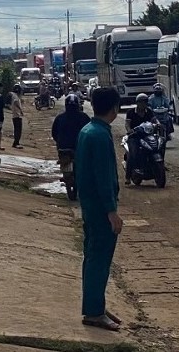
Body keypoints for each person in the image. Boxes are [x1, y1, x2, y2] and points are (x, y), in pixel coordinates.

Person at [75, 87, 123, 331]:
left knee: (92, 257)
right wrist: (112, 211)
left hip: (89, 206)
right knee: (99, 260)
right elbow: (104, 178)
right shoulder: (100, 136)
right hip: (100, 208)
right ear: (114, 107)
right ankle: (94, 311)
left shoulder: (88, 131)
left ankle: (95, 305)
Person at [125, 93, 157, 184]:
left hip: (147, 136)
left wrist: (158, 124)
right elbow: (127, 124)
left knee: (157, 146)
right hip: (134, 136)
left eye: (145, 102)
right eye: (142, 102)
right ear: (137, 103)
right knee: (133, 153)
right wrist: (129, 130)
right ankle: (127, 177)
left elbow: (154, 120)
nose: (144, 104)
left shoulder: (149, 111)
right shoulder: (130, 112)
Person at [10, 83, 24, 149]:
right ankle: (16, 143)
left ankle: (16, 142)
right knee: (18, 130)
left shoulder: (14, 95)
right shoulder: (15, 96)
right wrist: (20, 110)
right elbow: (15, 102)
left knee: (17, 130)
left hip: (16, 115)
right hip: (17, 115)